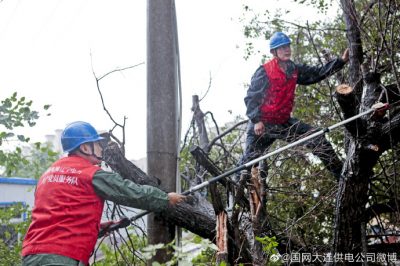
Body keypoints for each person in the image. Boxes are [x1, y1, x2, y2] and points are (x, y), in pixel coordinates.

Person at [21, 121, 186, 266]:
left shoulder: (47, 175)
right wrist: (164, 198)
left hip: (32, 255)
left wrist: (96, 227)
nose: (101, 149)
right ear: (85, 147)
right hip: (62, 257)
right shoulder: (90, 173)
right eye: (98, 144)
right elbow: (129, 192)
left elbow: (57, 215)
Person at [239, 32, 349, 181]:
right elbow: (252, 97)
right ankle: (233, 190)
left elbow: (316, 74)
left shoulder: (293, 69)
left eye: (288, 46)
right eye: (282, 47)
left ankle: (343, 176)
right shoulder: (264, 71)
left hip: (283, 123)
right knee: (248, 166)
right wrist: (256, 120)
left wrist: (340, 61)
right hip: (262, 125)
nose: (286, 50)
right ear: (274, 52)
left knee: (317, 138)